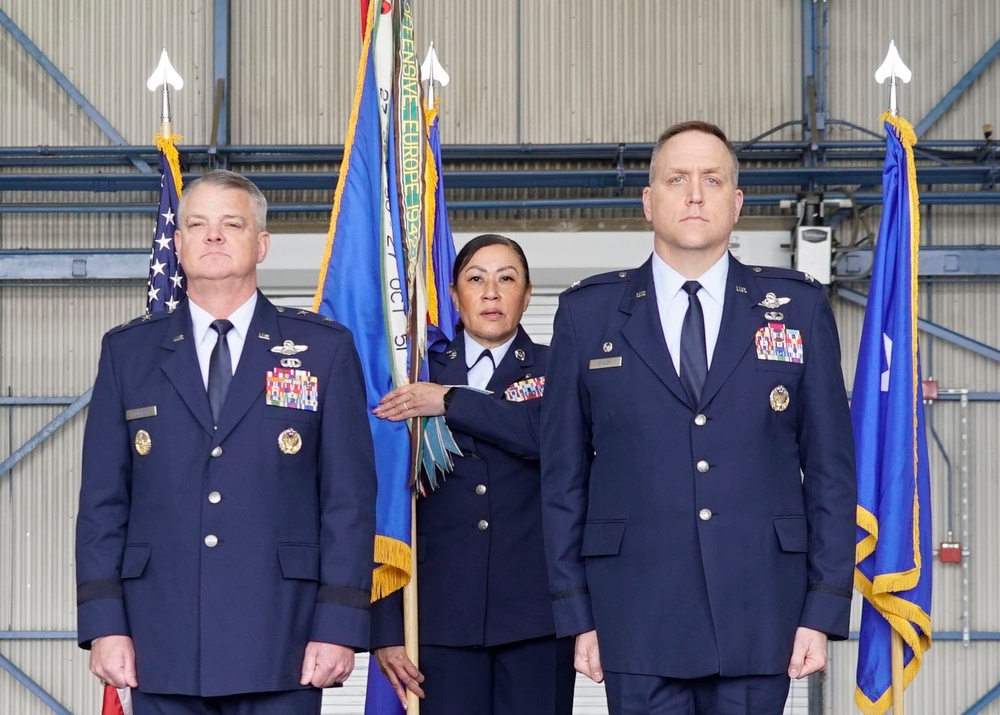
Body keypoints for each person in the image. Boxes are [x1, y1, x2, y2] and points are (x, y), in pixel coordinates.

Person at [540, 122, 857, 715]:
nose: (694, 194)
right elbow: (562, 480)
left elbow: (832, 476)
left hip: (761, 612)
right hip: (632, 613)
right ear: (648, 199)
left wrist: (823, 607)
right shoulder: (587, 315)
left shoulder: (799, 308)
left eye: (712, 180)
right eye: (676, 178)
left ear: (736, 203)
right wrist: (577, 612)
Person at [75, 169, 377, 715]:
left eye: (231, 223)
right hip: (160, 638)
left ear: (261, 243)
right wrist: (104, 626)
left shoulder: (321, 349)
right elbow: (102, 505)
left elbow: (348, 503)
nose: (213, 235)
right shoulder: (129, 353)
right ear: (178, 241)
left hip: (282, 637)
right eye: (197, 223)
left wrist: (339, 626)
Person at [369, 234, 575, 714]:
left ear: (527, 296)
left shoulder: (560, 368)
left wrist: (451, 401)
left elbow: (547, 438)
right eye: (475, 279)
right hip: (437, 623)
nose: (490, 292)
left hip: (538, 622)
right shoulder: (412, 372)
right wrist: (385, 630)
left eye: (507, 279)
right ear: (454, 295)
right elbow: (380, 504)